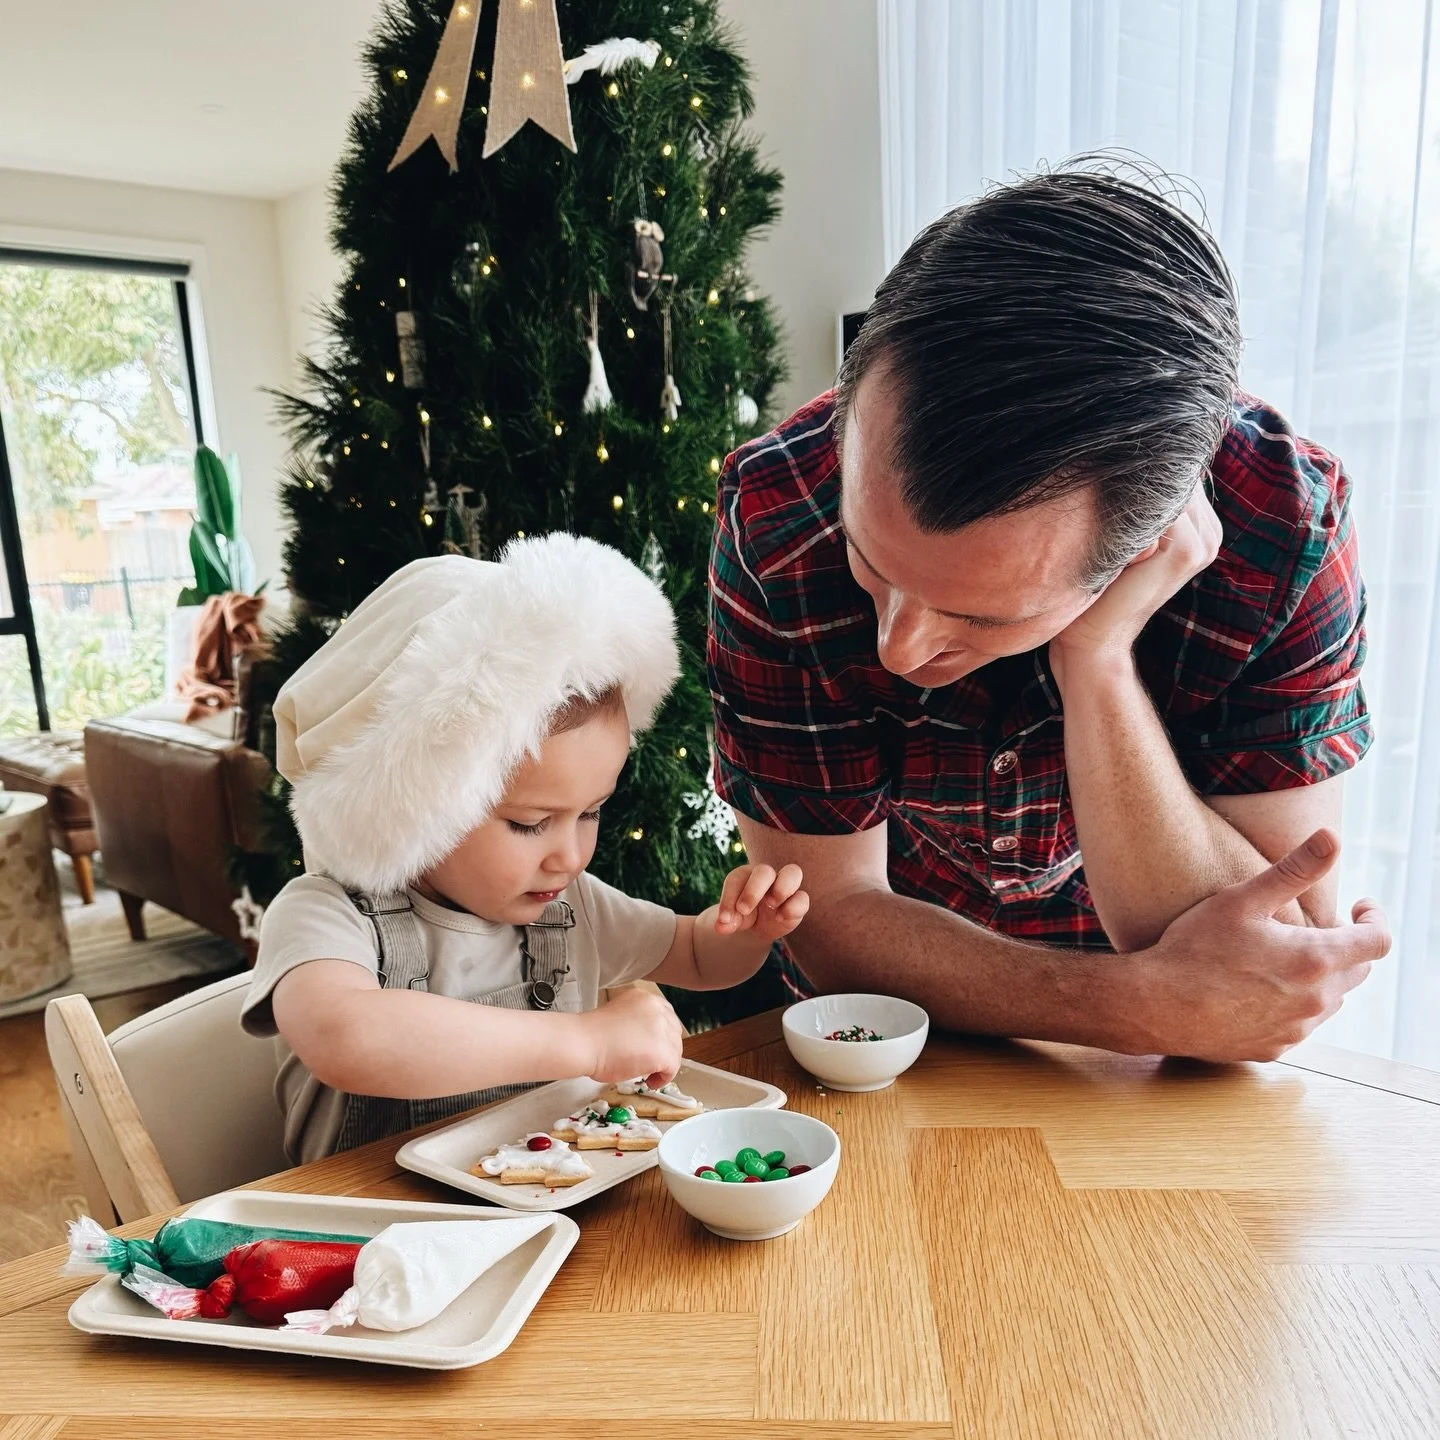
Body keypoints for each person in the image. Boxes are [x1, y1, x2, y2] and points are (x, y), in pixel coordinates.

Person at [708, 166, 1390, 1064]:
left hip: (1166, 1083)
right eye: (870, 563)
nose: (899, 646)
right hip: (885, 1049)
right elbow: (830, 919)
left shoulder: (1284, 529)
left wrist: (1097, 660)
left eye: (981, 617)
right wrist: (1139, 1004)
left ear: (1147, 549)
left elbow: (1275, 953)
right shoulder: (779, 510)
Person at [242, 534, 807, 1163]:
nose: (569, 856)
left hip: (548, 1199)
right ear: (415, 805)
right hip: (365, 1217)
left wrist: (745, 930)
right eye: (530, 823)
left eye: (589, 813)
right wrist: (586, 1042)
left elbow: (696, 956)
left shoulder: (571, 905)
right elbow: (348, 1036)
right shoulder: (324, 914)